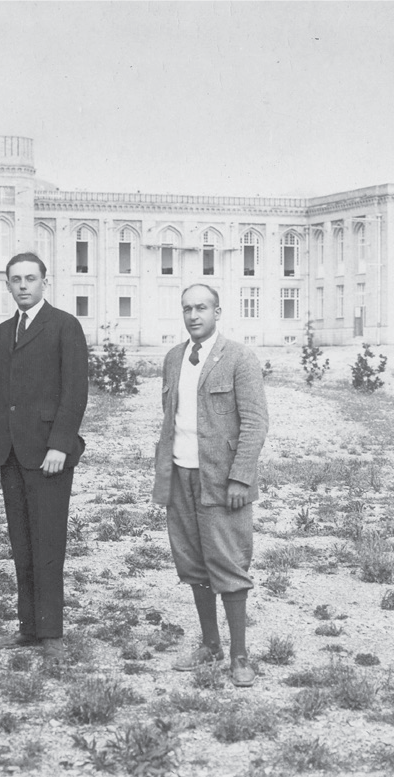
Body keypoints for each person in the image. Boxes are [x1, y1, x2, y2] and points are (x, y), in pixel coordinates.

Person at [151, 283, 268, 687]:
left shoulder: (239, 358)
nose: (193, 316)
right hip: (180, 475)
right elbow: (170, 420)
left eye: (201, 308)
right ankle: (210, 644)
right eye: (187, 309)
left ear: (218, 312)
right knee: (192, 562)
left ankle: (239, 655)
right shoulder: (172, 358)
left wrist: (240, 477)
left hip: (221, 481)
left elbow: (254, 423)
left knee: (229, 563)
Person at [0, 253, 88, 660]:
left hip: (48, 455)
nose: (23, 286)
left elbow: (75, 392)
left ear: (46, 281)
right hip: (11, 453)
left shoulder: (64, 325)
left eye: (30, 278)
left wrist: (60, 445)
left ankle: (51, 633)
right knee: (21, 543)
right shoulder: (4, 330)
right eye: (15, 280)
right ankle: (27, 627)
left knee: (47, 543)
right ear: (7, 285)